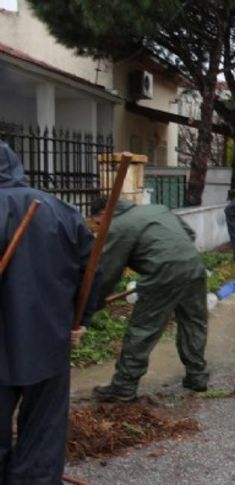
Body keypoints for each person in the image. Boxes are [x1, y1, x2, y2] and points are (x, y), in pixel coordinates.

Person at [1, 142, 100, 483]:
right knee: (43, 430)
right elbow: (91, 272)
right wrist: (80, 320)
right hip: (47, 338)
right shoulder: (59, 210)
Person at [90, 197, 209, 401]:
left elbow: (108, 272)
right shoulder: (158, 208)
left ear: (103, 213)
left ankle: (124, 386)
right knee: (193, 322)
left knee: (143, 329)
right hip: (193, 265)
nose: (100, 229)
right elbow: (189, 234)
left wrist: (93, 302)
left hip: (164, 272)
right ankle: (197, 377)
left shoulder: (118, 226)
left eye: (98, 223)